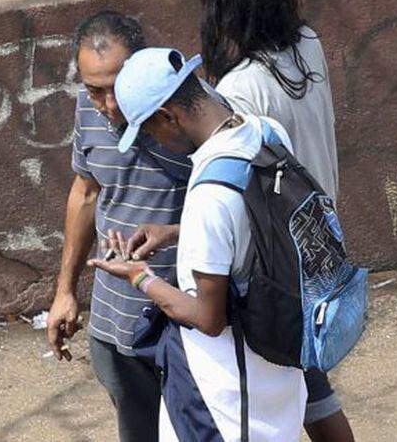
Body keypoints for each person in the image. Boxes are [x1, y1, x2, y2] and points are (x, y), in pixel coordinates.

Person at [88, 46, 308, 442]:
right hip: (280, 372)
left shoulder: (209, 194)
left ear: (167, 116)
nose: (156, 141)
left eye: (150, 131)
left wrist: (140, 278)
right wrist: (174, 231)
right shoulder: (266, 133)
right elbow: (253, 228)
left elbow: (209, 318)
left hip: (225, 401)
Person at [199, 0, 353, 442]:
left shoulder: (241, 88)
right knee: (307, 381)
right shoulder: (308, 44)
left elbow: (243, 185)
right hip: (319, 233)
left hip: (278, 257)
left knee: (300, 385)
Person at [46, 11, 191, 442]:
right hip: (116, 324)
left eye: (117, 88)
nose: (109, 106)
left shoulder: (184, 114)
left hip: (187, 318)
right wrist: (65, 292)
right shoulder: (88, 113)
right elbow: (86, 193)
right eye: (95, 90)